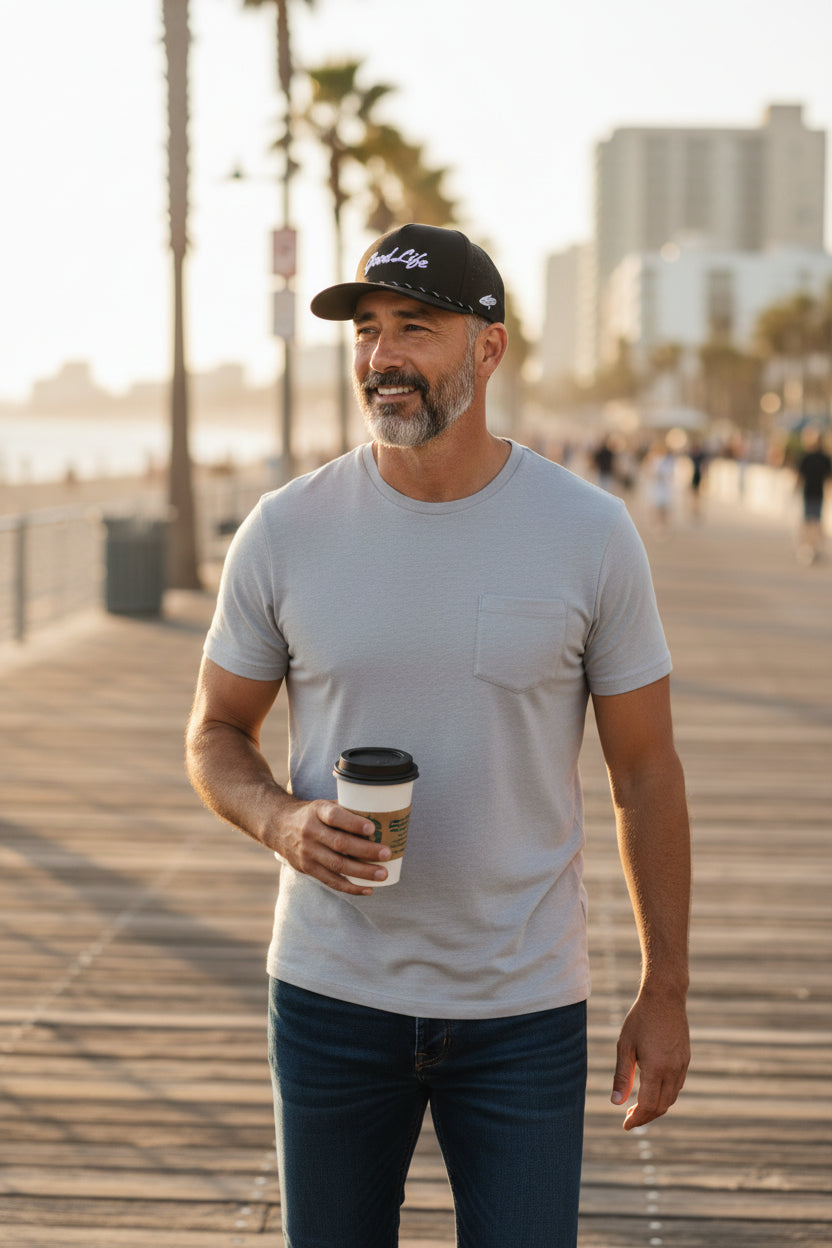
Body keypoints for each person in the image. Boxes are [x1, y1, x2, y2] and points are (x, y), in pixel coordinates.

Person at [185, 223, 691, 1248]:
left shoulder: (586, 533)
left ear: (487, 347)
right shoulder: (286, 531)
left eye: (413, 326)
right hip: (331, 995)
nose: (381, 357)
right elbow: (214, 732)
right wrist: (281, 822)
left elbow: (644, 774)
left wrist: (663, 990)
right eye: (367, 331)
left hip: (523, 1009)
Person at [794, 426, 831, 564]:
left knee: (814, 522)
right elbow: (799, 476)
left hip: (817, 494)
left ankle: (814, 547)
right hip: (809, 493)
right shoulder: (806, 457)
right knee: (809, 522)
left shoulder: (823, 458)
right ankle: (808, 547)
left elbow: (829, 478)